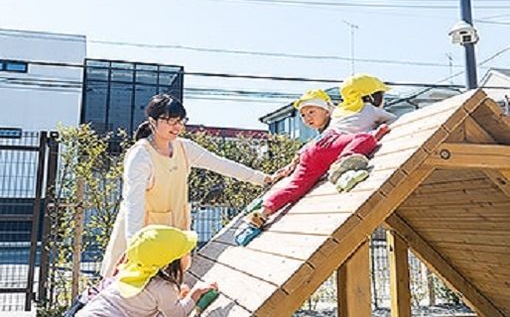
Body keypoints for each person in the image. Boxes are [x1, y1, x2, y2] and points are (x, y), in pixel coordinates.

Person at [101, 94, 277, 277]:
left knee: (168, 294)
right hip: (144, 237)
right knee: (132, 294)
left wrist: (263, 179)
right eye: (170, 121)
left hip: (174, 234)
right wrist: (135, 247)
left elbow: (221, 164)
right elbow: (133, 204)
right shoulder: (141, 155)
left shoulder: (183, 147)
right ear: (152, 121)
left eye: (180, 121)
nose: (177, 127)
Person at [236, 75, 395, 245]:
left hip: (312, 150)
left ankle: (262, 212)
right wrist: (378, 132)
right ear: (372, 96)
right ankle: (344, 164)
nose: (307, 118)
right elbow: (395, 120)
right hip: (332, 147)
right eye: (304, 115)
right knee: (366, 138)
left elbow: (318, 140)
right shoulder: (370, 109)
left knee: (295, 187)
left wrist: (292, 164)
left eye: (311, 112)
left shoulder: (340, 113)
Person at [76, 225, 217, 317]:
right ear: (171, 261)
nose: (190, 255)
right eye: (187, 252)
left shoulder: (127, 274)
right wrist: (195, 294)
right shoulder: (163, 288)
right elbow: (178, 314)